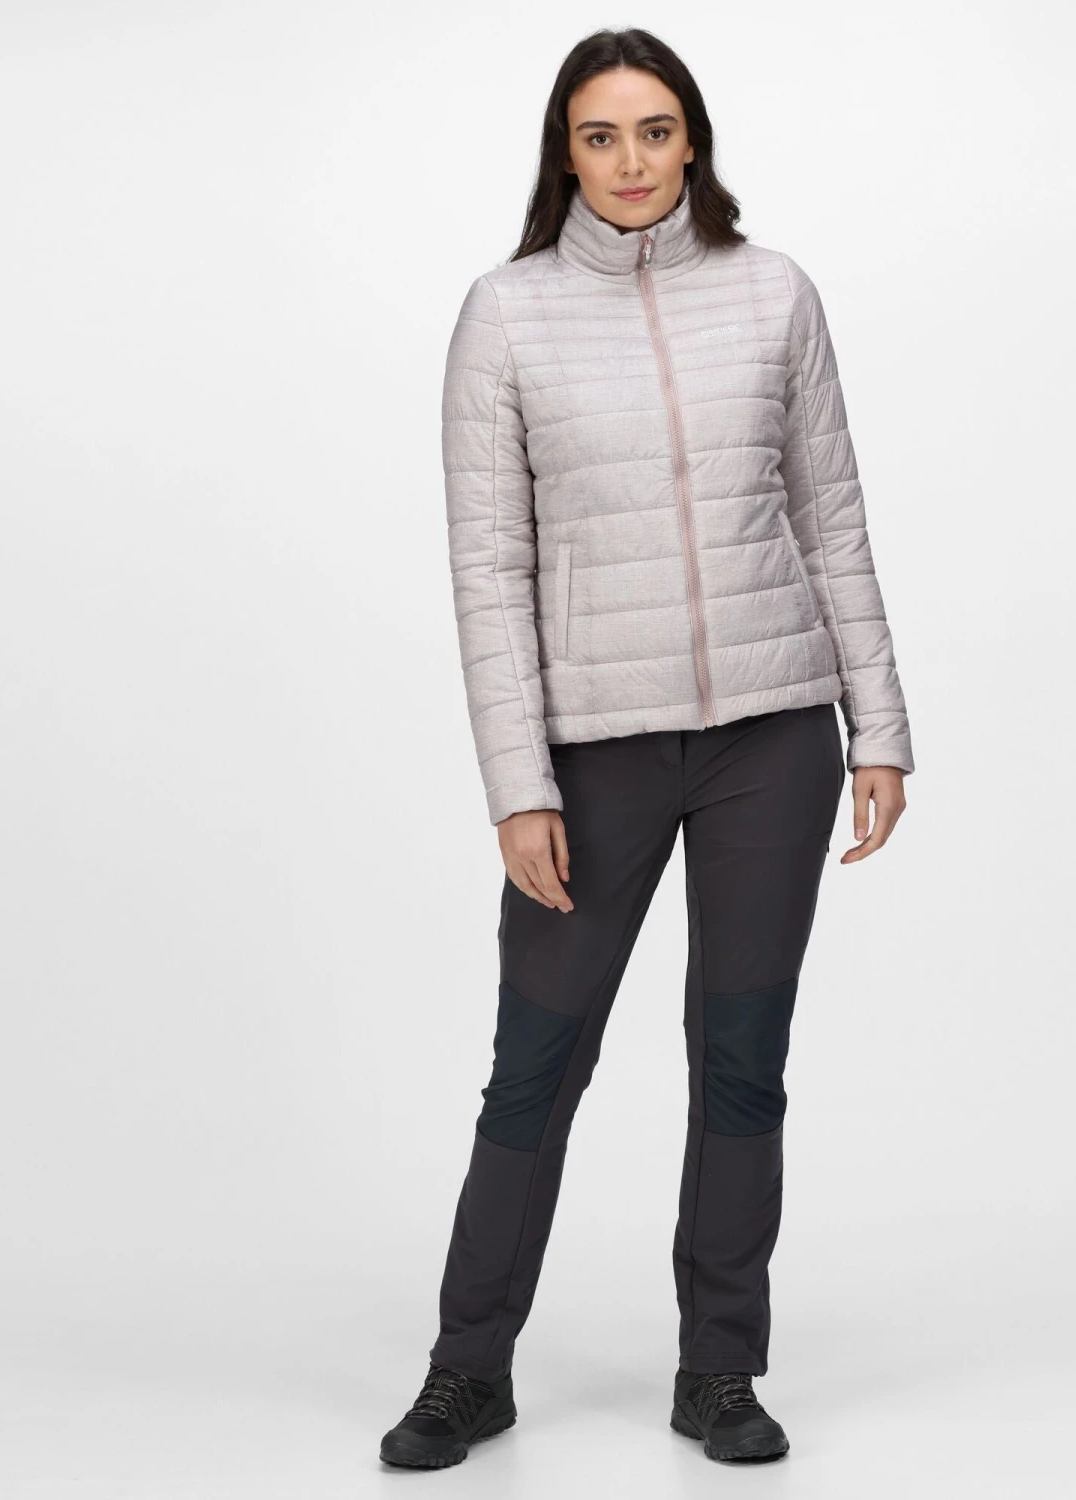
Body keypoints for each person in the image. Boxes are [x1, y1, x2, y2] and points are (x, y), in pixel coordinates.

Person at [380, 26, 914, 1470]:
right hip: (593, 753)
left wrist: (878, 724)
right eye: (601, 135)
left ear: (695, 142)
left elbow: (833, 516)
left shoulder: (774, 293)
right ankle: (468, 1371)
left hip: (773, 739)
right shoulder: (505, 315)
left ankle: (719, 1372)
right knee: (536, 1066)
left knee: (741, 1062)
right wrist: (518, 784)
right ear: (565, 152)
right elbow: (487, 567)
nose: (631, 161)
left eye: (656, 131)